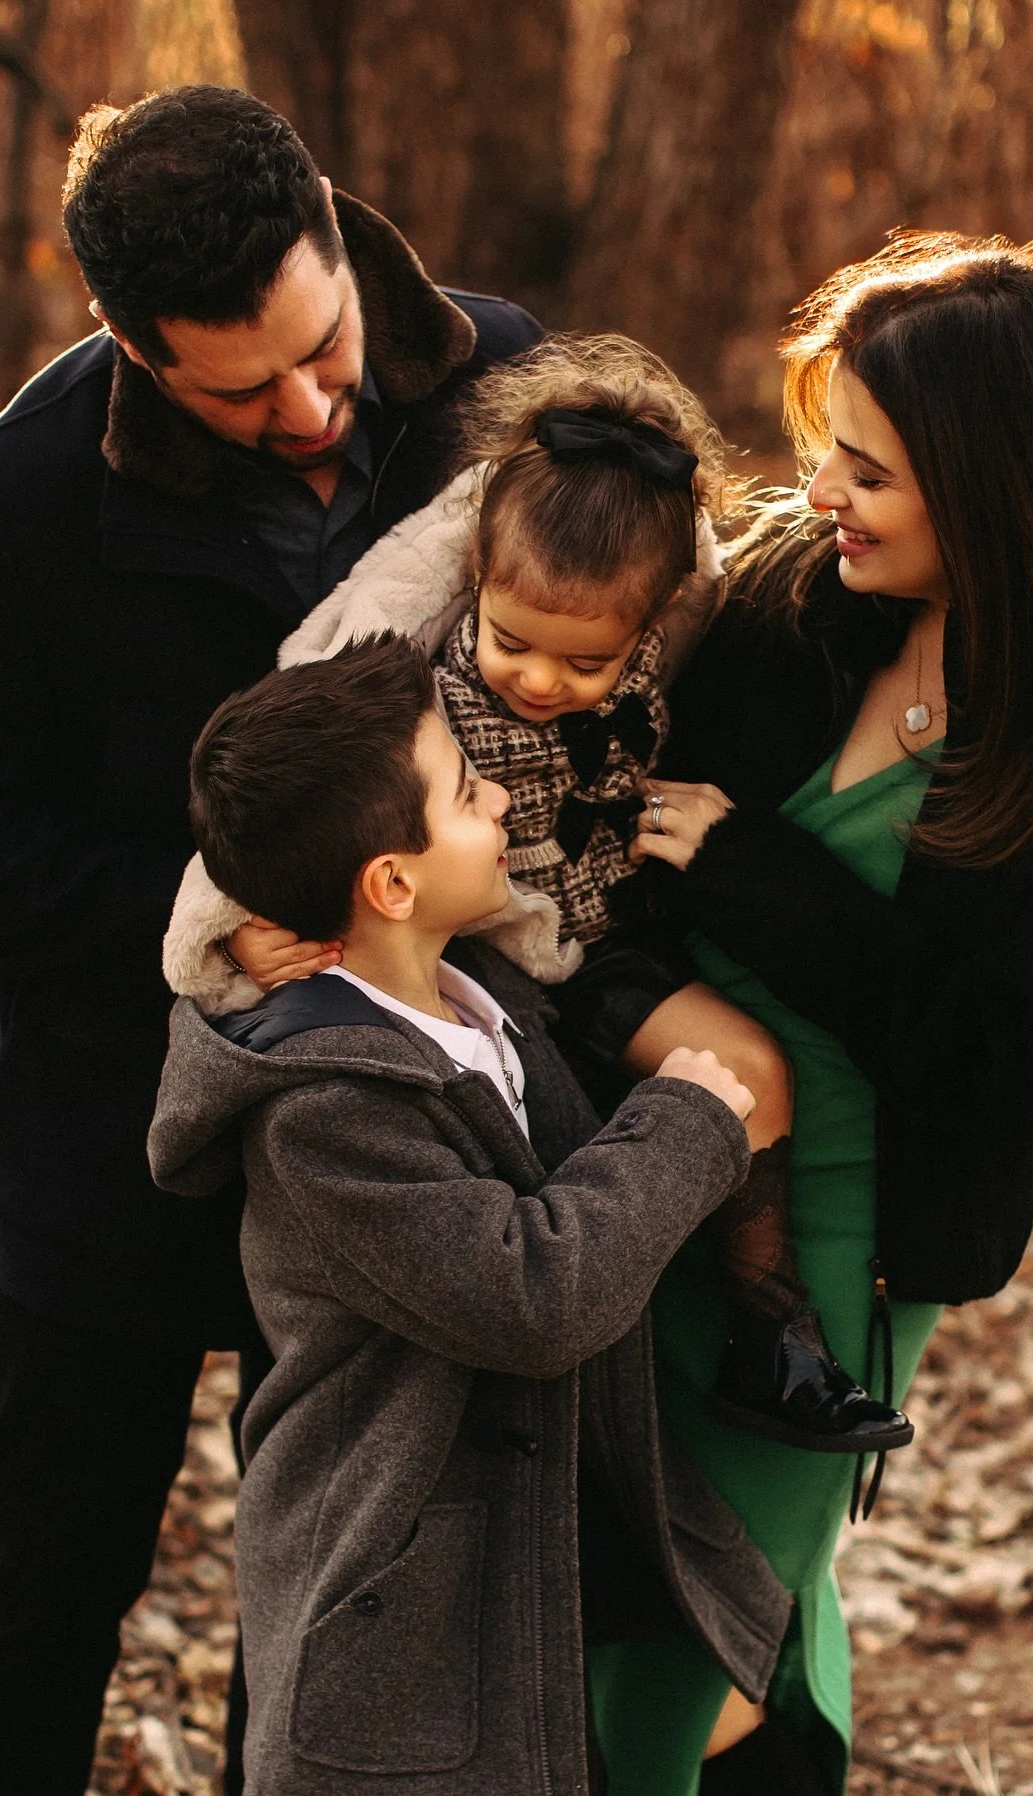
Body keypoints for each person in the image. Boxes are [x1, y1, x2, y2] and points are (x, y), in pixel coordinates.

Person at [0, 85, 541, 1796]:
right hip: (112, 1154)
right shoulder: (4, 501)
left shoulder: (506, 377)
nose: (310, 408)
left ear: (332, 219)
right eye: (243, 389)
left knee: (326, 1610)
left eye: (324, 347)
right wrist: (203, 932)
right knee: (38, 1591)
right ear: (134, 349)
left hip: (402, 1138)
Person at [580, 235, 1033, 1794]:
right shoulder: (789, 600)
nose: (823, 492)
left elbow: (1003, 1058)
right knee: (615, 1592)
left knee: (709, 1615)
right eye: (826, 448)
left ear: (998, 482)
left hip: (829, 1251)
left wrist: (753, 873)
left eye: (868, 469)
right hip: (630, 1159)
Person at [164, 333, 911, 1457]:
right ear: (478, 582)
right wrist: (225, 940)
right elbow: (281, 765)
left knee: (752, 1071)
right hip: (470, 956)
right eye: (514, 643)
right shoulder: (410, 653)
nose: (542, 681)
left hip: (599, 938)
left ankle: (775, 1339)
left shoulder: (673, 612)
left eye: (589, 665)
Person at [148, 631, 792, 1795]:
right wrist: (687, 1118)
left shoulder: (480, 993)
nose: (501, 793)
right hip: (394, 1613)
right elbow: (532, 1291)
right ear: (391, 881)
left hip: (513, 1573)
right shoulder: (322, 1106)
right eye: (464, 787)